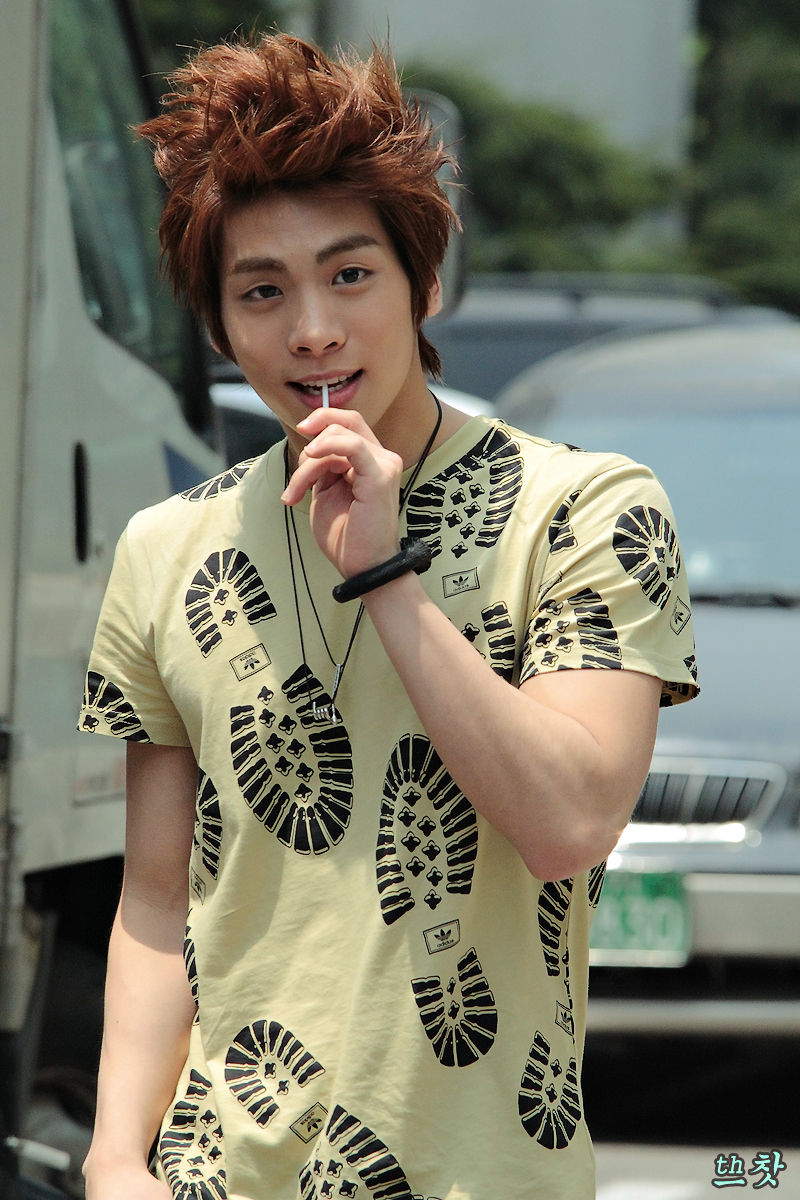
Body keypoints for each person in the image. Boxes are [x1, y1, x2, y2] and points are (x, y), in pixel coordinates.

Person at [78, 32, 698, 1200]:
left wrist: (385, 574)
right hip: (218, 1172)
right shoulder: (165, 550)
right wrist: (116, 1155)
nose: (311, 328)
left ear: (424, 284)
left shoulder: (585, 509)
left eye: (351, 275)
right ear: (217, 326)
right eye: (261, 292)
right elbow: (159, 902)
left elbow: (568, 824)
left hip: (478, 1172)